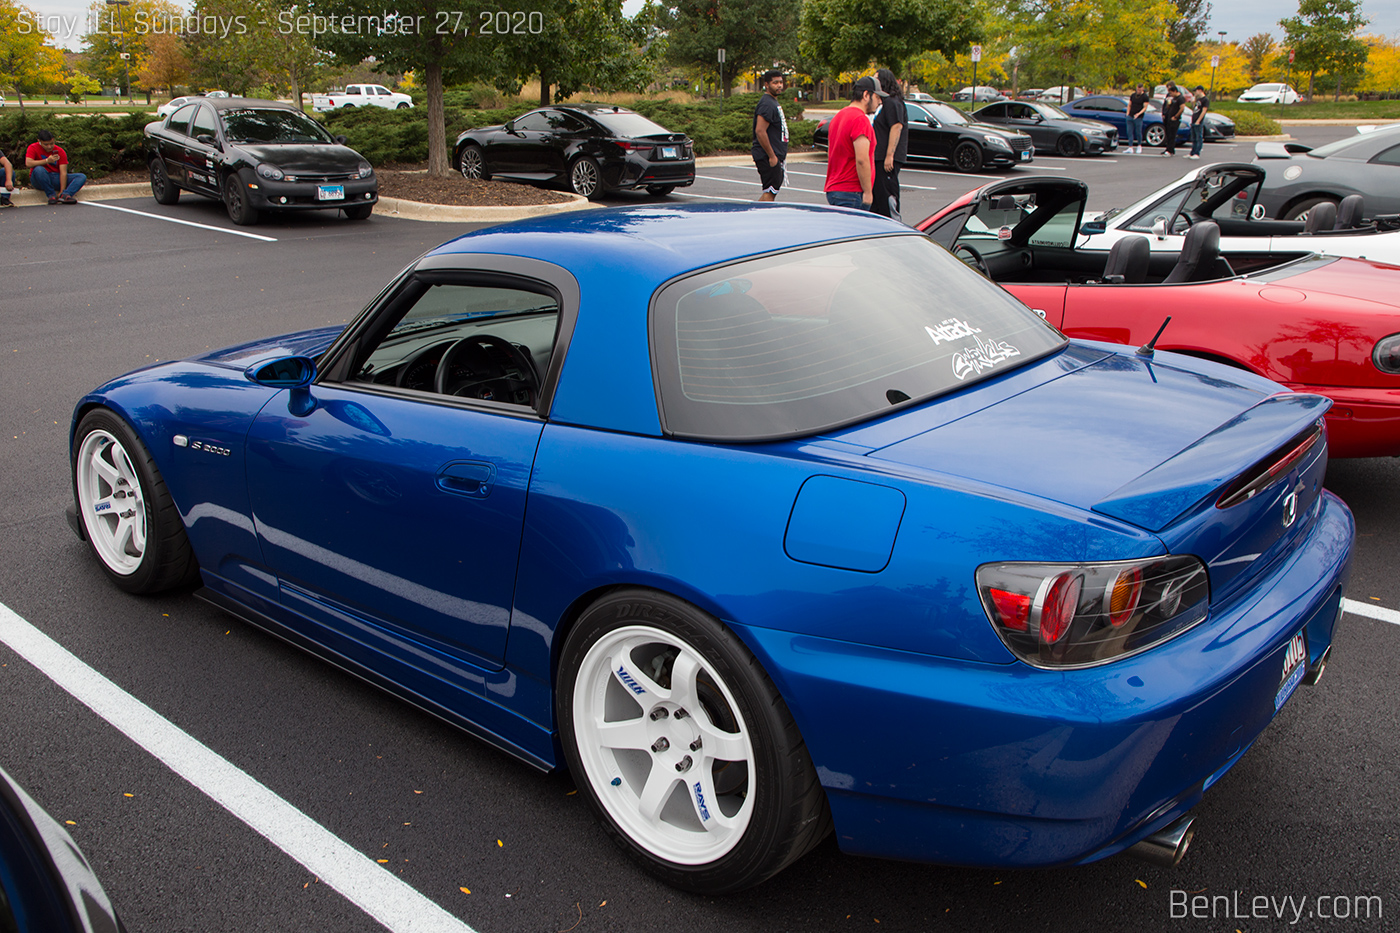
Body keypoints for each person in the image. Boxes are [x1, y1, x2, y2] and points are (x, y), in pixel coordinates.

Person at [824, 76, 884, 210]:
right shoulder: (860, 119)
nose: (880, 101)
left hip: (835, 190)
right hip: (852, 192)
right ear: (866, 95)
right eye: (877, 97)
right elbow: (862, 159)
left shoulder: (838, 117)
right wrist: (868, 192)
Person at [871, 68, 907, 219]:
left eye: (876, 80)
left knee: (887, 197)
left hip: (886, 159)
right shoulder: (885, 103)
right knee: (877, 198)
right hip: (878, 158)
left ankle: (892, 225)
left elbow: (897, 126)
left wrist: (889, 155)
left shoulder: (893, 102)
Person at [752, 69, 789, 202]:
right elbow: (760, 131)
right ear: (767, 84)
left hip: (775, 155)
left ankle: (759, 217)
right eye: (775, 83)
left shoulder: (772, 102)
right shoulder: (767, 104)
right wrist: (772, 156)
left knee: (771, 192)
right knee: (769, 192)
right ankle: (759, 219)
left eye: (781, 82)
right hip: (767, 156)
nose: (779, 85)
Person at [26, 130, 86, 205]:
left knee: (81, 177)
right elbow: (28, 163)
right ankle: (51, 195)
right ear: (39, 141)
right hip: (39, 178)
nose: (49, 147)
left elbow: (63, 173)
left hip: (55, 177)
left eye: (52, 143)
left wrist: (62, 190)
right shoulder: (33, 147)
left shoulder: (60, 151)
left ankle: (65, 195)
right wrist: (47, 160)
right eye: (46, 144)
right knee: (39, 169)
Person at [1160, 85, 1184, 158]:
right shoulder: (1173, 98)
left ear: (1175, 91)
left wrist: (1176, 116)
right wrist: (1168, 104)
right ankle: (1169, 149)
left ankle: (1170, 150)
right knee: (1168, 134)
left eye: (1171, 93)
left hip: (1175, 119)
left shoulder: (1180, 98)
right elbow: (1169, 107)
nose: (1170, 95)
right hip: (1169, 118)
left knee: (1172, 135)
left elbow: (1182, 108)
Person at [1187, 85, 1209, 159]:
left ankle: (1197, 153)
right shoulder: (1198, 100)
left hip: (1198, 121)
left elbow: (1203, 111)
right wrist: (1193, 102)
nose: (1195, 92)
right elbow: (1195, 109)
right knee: (1194, 137)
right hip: (1194, 119)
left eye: (1196, 91)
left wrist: (1198, 120)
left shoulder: (1205, 100)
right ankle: (1192, 152)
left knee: (1198, 137)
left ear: (1200, 90)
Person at [1127, 83, 1149, 154]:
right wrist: (1127, 113)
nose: (1138, 90)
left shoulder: (1145, 97)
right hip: (1130, 115)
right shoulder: (1133, 95)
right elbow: (1129, 105)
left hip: (1138, 117)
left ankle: (1139, 145)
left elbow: (1145, 107)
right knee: (1129, 131)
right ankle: (1130, 147)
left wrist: (1139, 114)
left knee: (1138, 131)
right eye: (1137, 89)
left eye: (1140, 89)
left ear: (1142, 89)